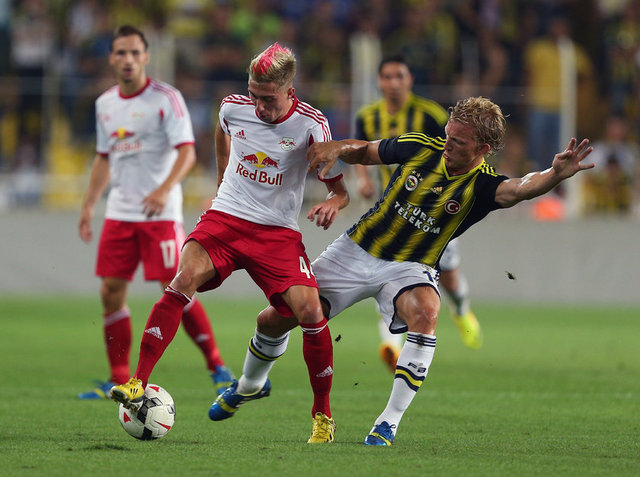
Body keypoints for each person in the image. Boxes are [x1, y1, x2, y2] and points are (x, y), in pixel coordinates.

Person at [214, 96, 594, 446]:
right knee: (273, 319)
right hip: (356, 251)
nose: (447, 144)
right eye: (448, 134)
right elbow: (366, 150)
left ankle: (388, 423)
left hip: (411, 267)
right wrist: (337, 147)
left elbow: (522, 187)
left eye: (458, 142)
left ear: (482, 149)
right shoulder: (420, 147)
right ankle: (250, 383)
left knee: (427, 312)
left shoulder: (483, 186)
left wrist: (554, 174)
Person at [109, 42, 349, 443]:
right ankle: (137, 383)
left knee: (310, 311)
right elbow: (224, 133)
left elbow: (339, 191)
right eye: (253, 95)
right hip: (226, 218)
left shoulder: (311, 125)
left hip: (276, 232)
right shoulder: (232, 108)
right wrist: (222, 181)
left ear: (289, 90)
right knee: (183, 279)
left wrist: (332, 202)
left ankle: (322, 414)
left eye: (268, 99)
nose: (258, 106)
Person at [78, 25, 233, 400]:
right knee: (110, 290)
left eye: (135, 52)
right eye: (121, 53)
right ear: (112, 58)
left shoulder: (167, 99)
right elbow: (103, 158)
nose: (128, 60)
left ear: (146, 57)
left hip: (160, 215)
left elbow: (187, 152)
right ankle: (118, 377)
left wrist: (164, 190)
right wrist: (89, 204)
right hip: (119, 212)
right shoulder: (105, 104)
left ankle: (217, 366)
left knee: (176, 286)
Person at [353, 54, 482, 371]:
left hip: (435, 212)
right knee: (386, 272)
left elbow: (454, 154)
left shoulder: (431, 115)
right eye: (387, 77)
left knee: (450, 278)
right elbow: (361, 149)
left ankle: (461, 310)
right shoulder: (367, 116)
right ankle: (390, 344)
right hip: (393, 211)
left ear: (410, 80)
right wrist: (362, 179)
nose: (393, 83)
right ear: (379, 82)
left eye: (399, 76)